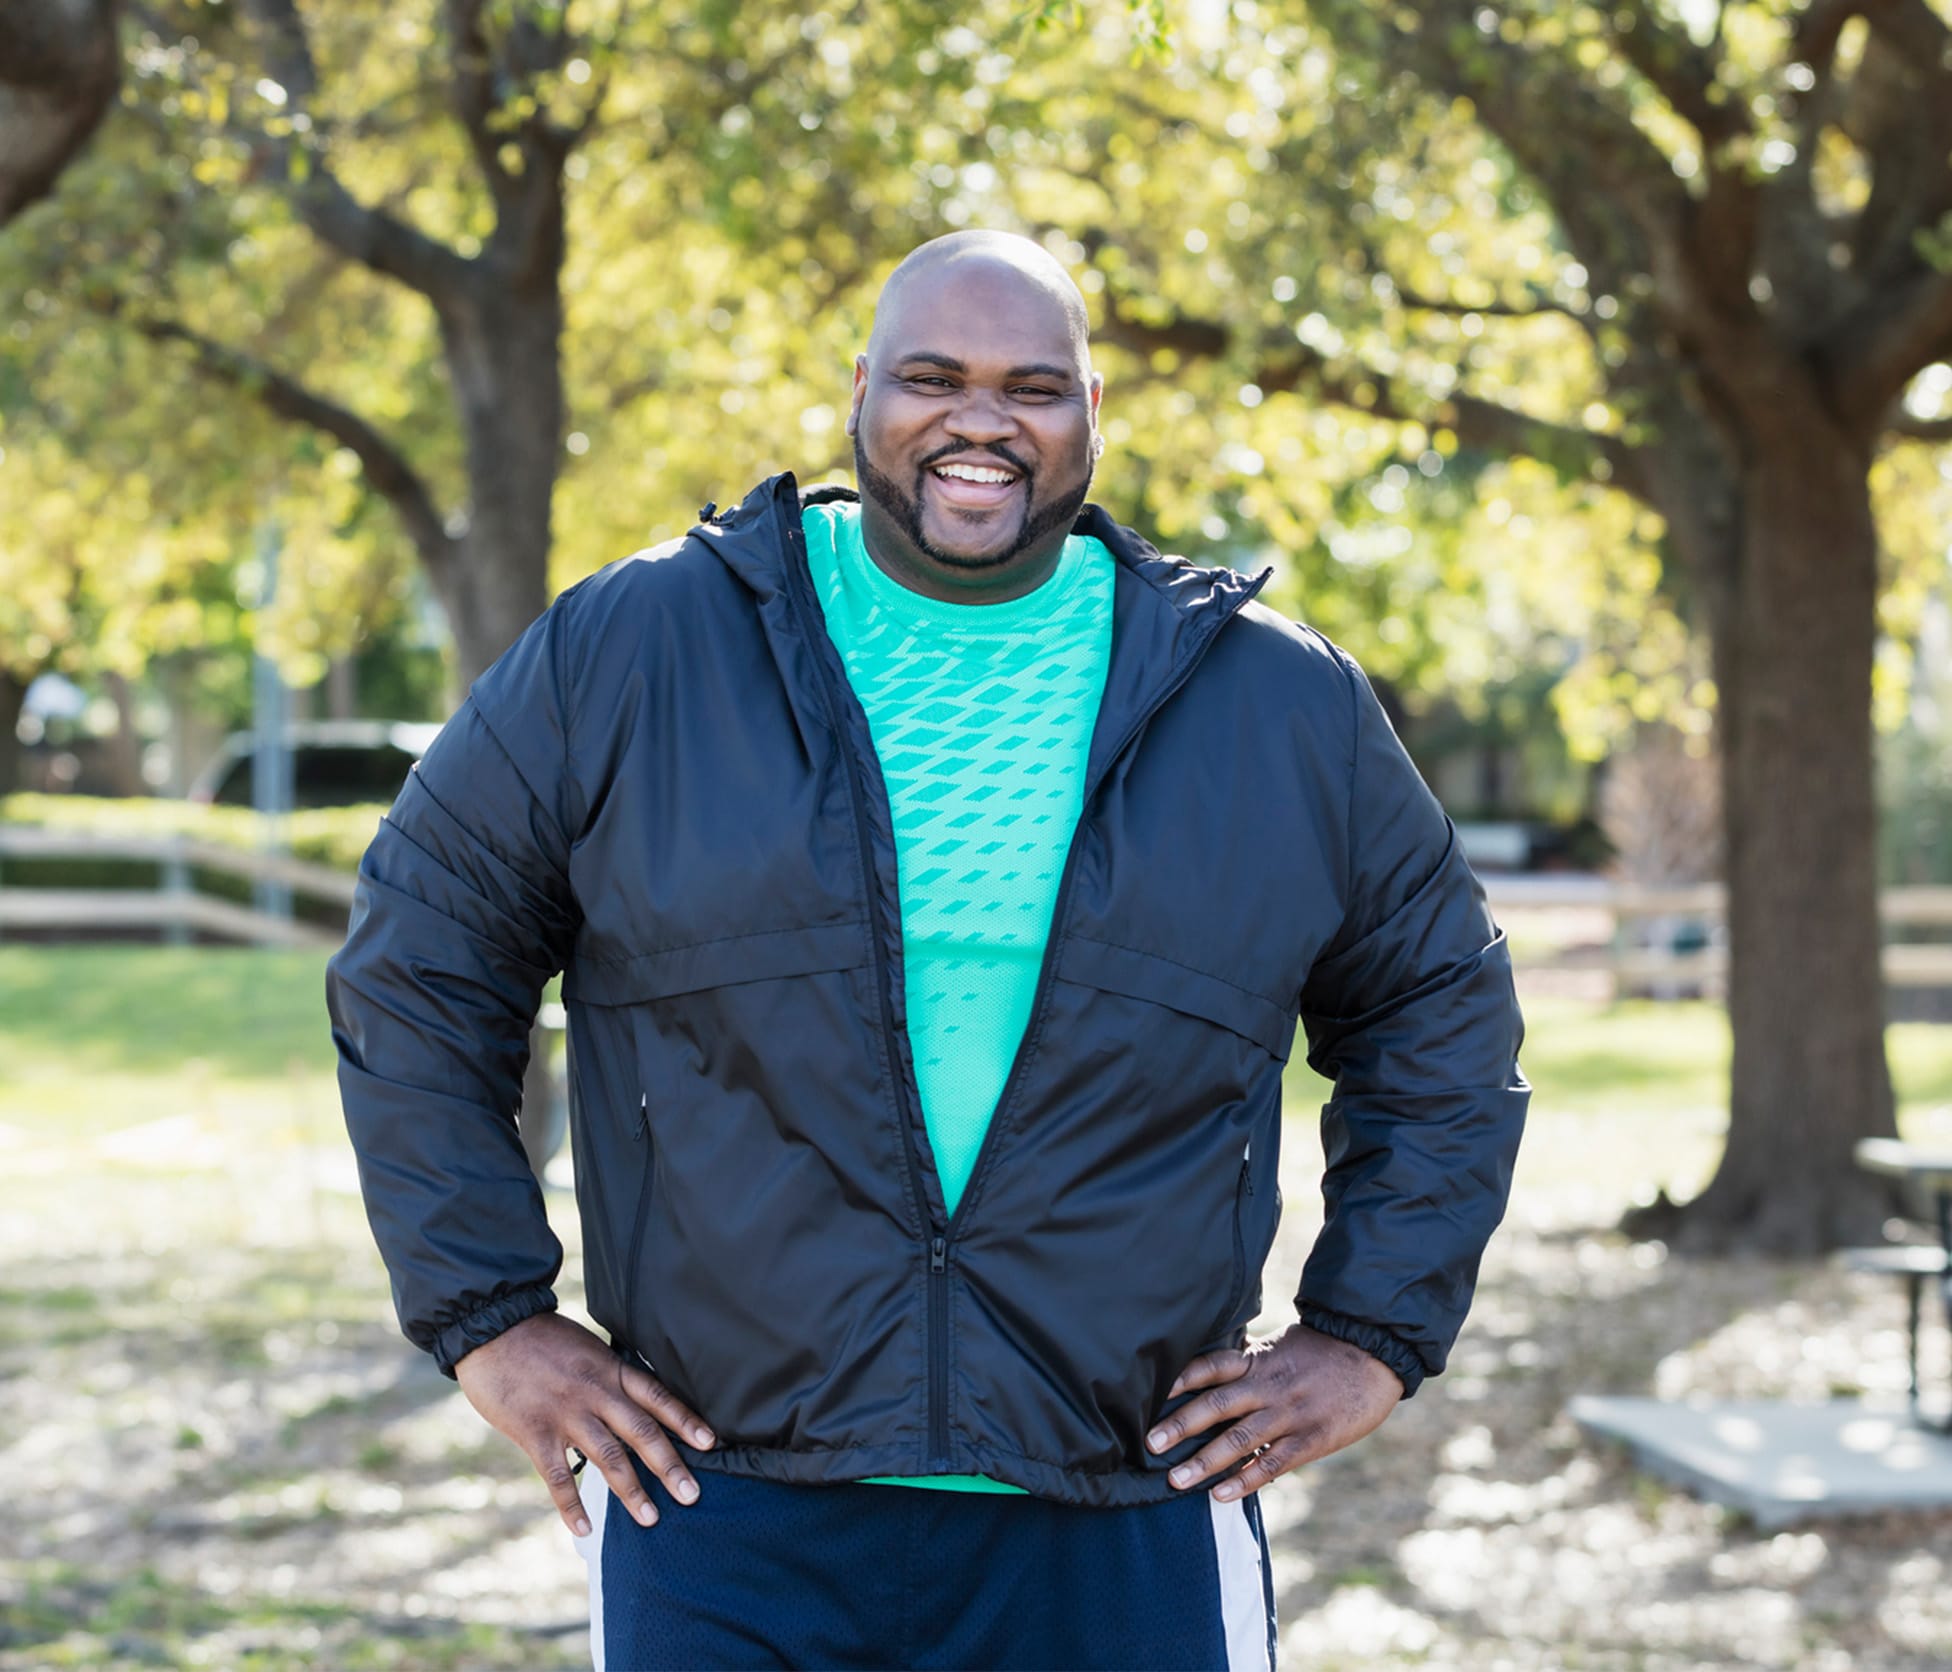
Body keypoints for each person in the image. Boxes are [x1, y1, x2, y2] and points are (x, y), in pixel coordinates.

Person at [326, 229, 1528, 1670]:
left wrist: (1370, 1337)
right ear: (859, 391)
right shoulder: (636, 647)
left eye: (1034, 386)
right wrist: (491, 1319)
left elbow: (1441, 1015)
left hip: (1124, 1498)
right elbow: (419, 957)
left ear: (1094, 415)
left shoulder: (1276, 704)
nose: (981, 421)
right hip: (728, 1498)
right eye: (933, 377)